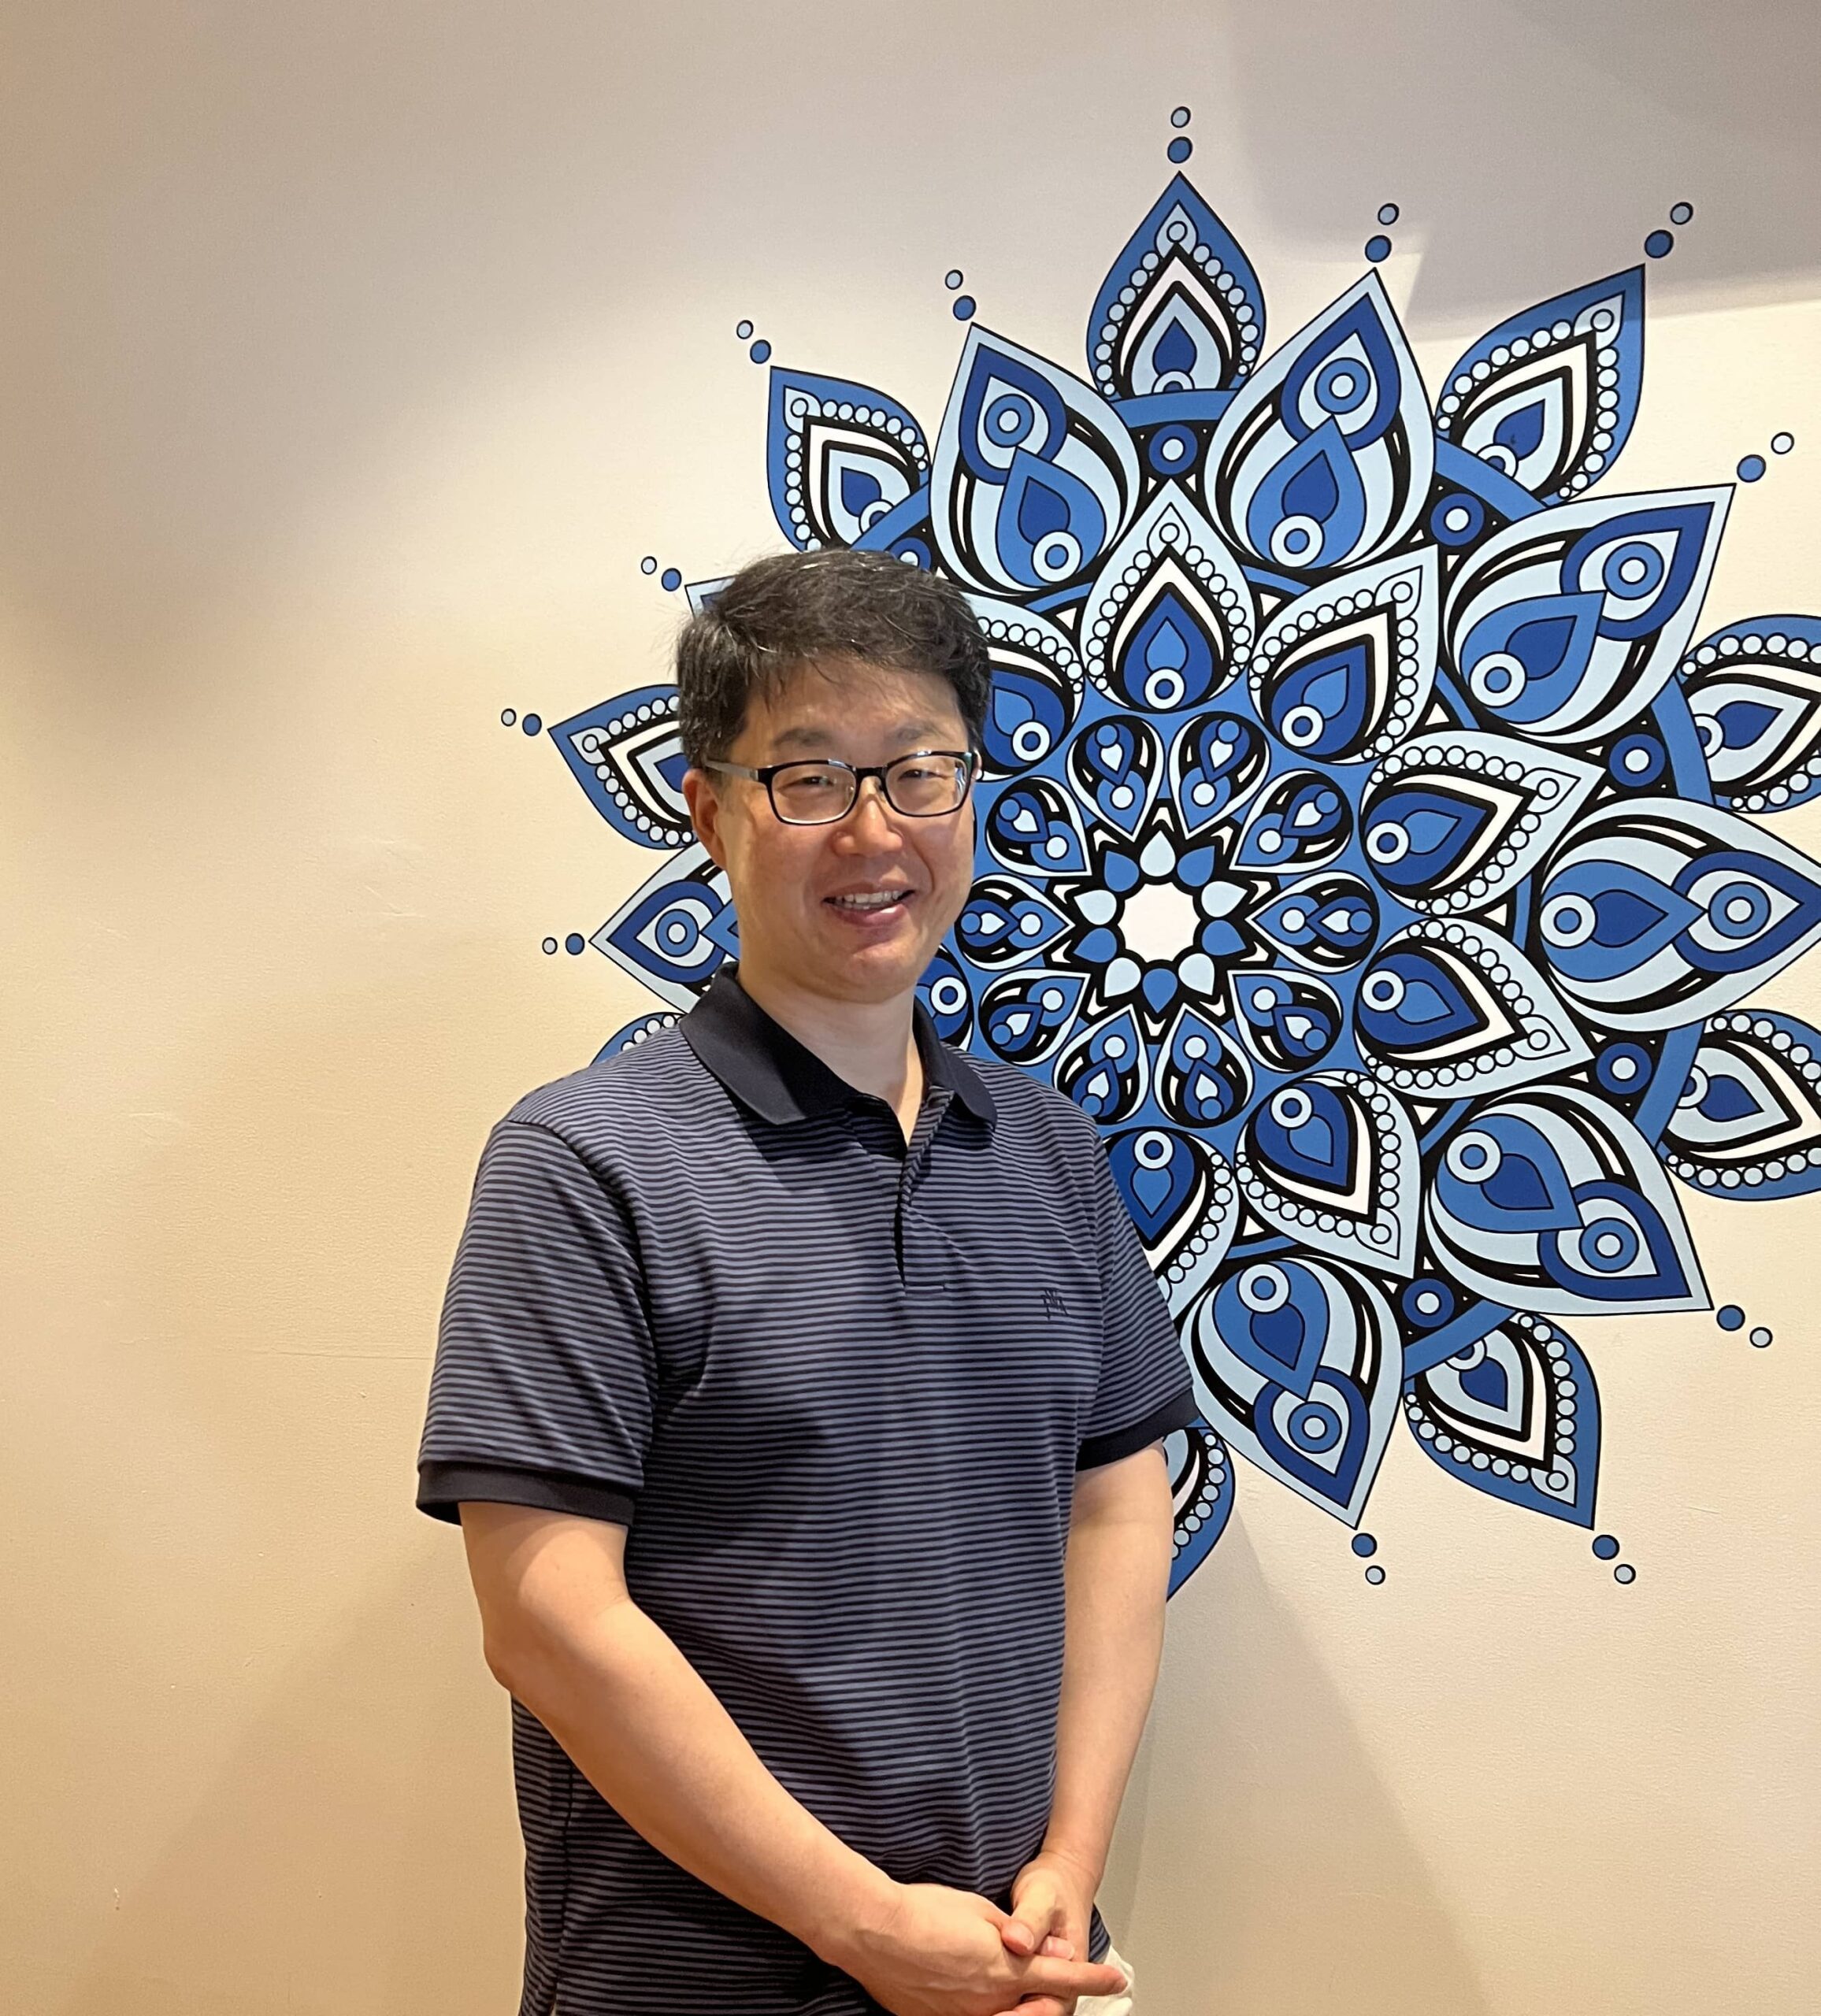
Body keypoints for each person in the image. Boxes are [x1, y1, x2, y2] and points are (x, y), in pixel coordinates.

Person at [416, 548, 1196, 2015]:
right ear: (709, 811)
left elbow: (1115, 1499)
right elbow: (543, 1612)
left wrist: (1064, 1873)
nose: (873, 832)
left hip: (999, 1965)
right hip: (686, 1982)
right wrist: (862, 1927)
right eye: (809, 779)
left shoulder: (1044, 1147)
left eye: (918, 772)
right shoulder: (585, 1163)